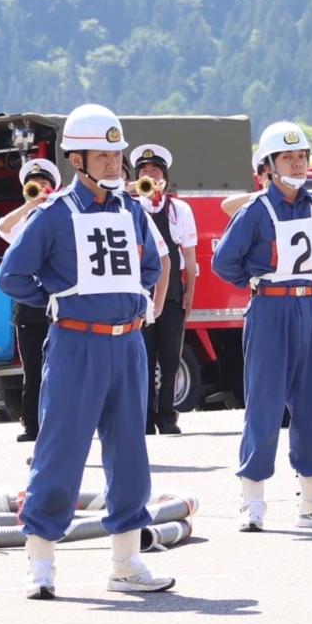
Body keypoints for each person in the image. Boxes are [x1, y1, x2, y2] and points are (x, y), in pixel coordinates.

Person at [0, 104, 173, 600]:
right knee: (61, 450)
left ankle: (126, 563)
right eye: (103, 154)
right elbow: (13, 275)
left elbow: (151, 266)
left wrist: (138, 298)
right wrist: (57, 301)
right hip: (76, 342)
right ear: (77, 158)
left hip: (128, 344)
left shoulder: (132, 210)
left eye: (117, 153)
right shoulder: (54, 214)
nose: (115, 162)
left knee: (131, 455)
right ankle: (41, 563)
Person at [213, 122, 312, 532]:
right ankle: (252, 500)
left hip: (308, 309)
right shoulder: (256, 210)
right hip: (270, 309)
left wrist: (308, 276)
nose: (297, 164)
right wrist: (258, 279)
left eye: (302, 157)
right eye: (288, 158)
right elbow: (223, 261)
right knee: (265, 402)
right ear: (269, 166)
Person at [132, 143, 199, 435]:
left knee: (171, 356)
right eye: (144, 172)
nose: (150, 175)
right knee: (142, 358)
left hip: (172, 293)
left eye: (155, 170)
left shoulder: (179, 209)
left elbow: (190, 258)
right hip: (142, 294)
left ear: (166, 176)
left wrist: (189, 294)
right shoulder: (132, 207)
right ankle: (144, 417)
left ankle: (167, 415)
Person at [0, 157, 62, 443]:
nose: (41, 188)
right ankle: (31, 425)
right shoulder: (24, 219)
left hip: (56, 303)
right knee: (33, 369)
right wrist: (30, 204)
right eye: (35, 185)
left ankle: (58, 422)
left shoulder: (60, 215)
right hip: (27, 307)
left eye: (45, 184)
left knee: (58, 367)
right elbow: (2, 227)